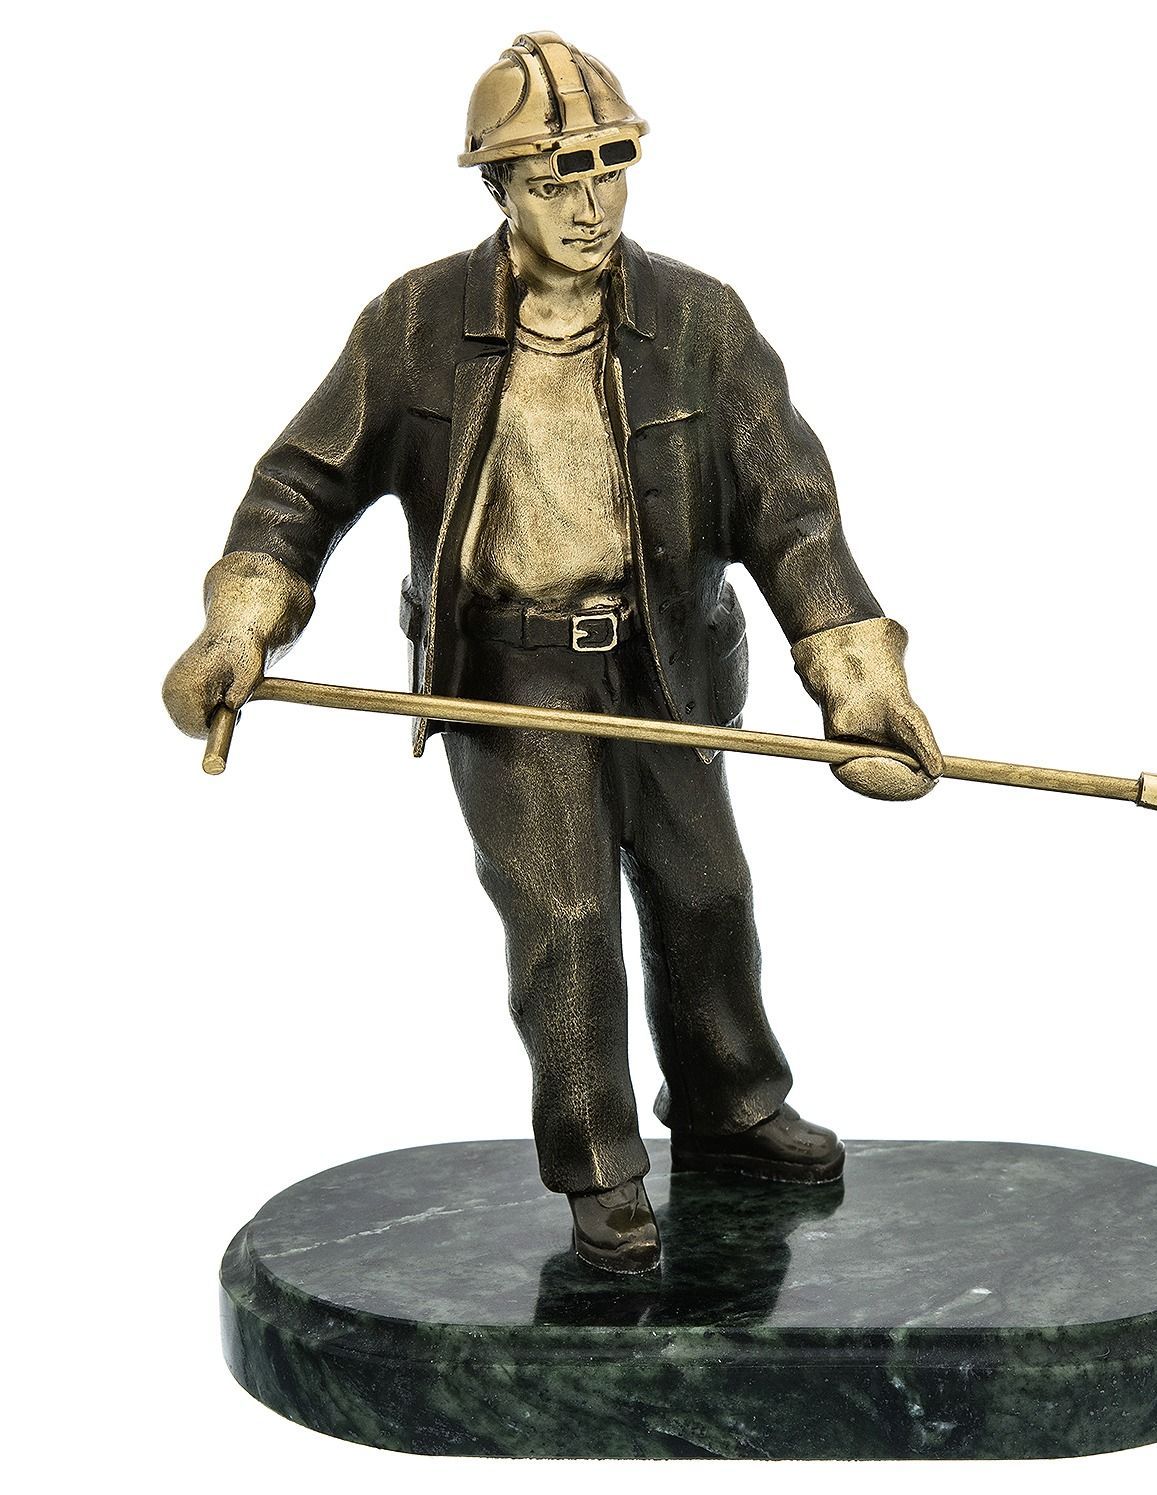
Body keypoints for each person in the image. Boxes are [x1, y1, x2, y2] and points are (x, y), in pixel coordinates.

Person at [163, 32, 941, 1273]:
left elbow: (792, 510)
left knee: (706, 893)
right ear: (499, 188)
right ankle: (598, 1168)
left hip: (667, 664)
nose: (590, 206)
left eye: (608, 169)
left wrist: (860, 681)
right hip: (508, 676)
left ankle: (730, 1106)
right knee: (566, 919)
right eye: (555, 179)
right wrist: (240, 620)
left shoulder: (701, 321)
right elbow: (300, 487)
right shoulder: (413, 325)